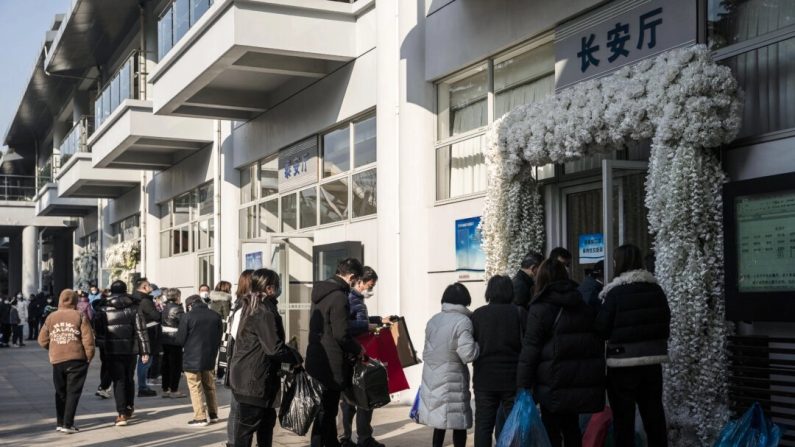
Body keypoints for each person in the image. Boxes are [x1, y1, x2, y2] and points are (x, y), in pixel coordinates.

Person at [517, 259, 605, 447]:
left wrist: (523, 385)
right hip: (576, 380)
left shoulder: (539, 308)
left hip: (552, 382)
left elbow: (530, 349)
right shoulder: (581, 303)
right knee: (572, 429)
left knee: (551, 432)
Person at [594, 244, 670, 447]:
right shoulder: (655, 289)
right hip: (652, 362)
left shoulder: (615, 293)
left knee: (623, 420)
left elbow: (601, 328)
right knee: (654, 415)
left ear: (619, 263)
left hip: (622, 364)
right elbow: (665, 322)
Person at [230, 268, 302, 445]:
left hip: (251, 377)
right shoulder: (262, 310)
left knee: (264, 424)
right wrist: (295, 357)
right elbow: (274, 348)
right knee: (248, 428)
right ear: (269, 288)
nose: (279, 290)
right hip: (254, 379)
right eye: (277, 286)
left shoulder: (251, 305)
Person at [306, 258, 365, 447]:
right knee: (326, 412)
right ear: (352, 276)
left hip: (316, 358)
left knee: (326, 410)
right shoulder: (339, 296)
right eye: (356, 281)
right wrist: (358, 348)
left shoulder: (321, 293)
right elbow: (341, 334)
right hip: (331, 363)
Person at [418, 283, 479, 447]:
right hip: (453, 379)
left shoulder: (433, 320)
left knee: (440, 423)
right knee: (458, 423)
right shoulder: (463, 321)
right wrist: (479, 345)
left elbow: (427, 352)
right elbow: (468, 355)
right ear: (465, 300)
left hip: (433, 378)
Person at [471, 275, 525, 447]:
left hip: (484, 378)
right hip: (512, 378)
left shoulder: (478, 315)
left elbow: (472, 344)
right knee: (514, 425)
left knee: (484, 426)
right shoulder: (519, 312)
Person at [340, 266, 389, 447]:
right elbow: (346, 325)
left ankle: (361, 437)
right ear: (358, 281)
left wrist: (377, 320)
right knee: (351, 399)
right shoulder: (350, 298)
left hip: (360, 353)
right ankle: (347, 438)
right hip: (353, 354)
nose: (371, 289)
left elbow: (359, 320)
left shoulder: (357, 299)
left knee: (360, 396)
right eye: (369, 285)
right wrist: (367, 326)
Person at [93, 280, 150, 426]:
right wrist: (145, 351)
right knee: (129, 378)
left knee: (118, 380)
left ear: (111, 291)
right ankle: (129, 406)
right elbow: (141, 330)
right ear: (125, 290)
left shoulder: (102, 307)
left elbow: (98, 332)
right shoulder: (134, 306)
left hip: (111, 350)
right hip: (130, 349)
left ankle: (121, 413)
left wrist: (101, 348)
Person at [38, 289, 95, 434]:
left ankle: (60, 422)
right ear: (75, 301)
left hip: (57, 360)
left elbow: (42, 339)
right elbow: (88, 339)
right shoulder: (79, 315)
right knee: (73, 392)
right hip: (76, 359)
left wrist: (53, 348)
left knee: (60, 392)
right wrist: (88, 356)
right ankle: (68, 424)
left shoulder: (51, 317)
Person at [177, 294, 223, 427]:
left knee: (195, 387)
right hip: (209, 357)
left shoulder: (187, 316)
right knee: (210, 386)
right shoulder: (215, 315)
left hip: (191, 358)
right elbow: (219, 336)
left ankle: (200, 417)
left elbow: (180, 340)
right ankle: (213, 414)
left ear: (190, 305)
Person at [224, 269, 253, 447]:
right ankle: (233, 442)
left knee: (237, 407)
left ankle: (233, 441)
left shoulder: (239, 303)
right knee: (237, 407)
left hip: (238, 360)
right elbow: (236, 334)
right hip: (241, 361)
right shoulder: (243, 305)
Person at [132, 278, 159, 397]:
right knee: (145, 360)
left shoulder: (135, 298)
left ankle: (143, 385)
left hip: (140, 332)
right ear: (144, 287)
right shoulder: (145, 300)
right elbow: (156, 316)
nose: (151, 288)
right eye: (148, 285)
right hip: (147, 333)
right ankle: (142, 387)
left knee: (143, 359)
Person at [160, 288, 186, 398]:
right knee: (175, 365)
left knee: (166, 364)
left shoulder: (165, 307)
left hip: (165, 338)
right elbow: (183, 323)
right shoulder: (177, 309)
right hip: (175, 339)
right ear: (177, 297)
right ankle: (174, 390)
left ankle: (165, 389)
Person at [209, 281, 233, 381]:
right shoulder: (225, 300)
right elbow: (227, 315)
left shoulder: (213, 300)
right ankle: (220, 374)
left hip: (212, 327)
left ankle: (211, 373)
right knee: (223, 351)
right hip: (223, 328)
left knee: (213, 351)